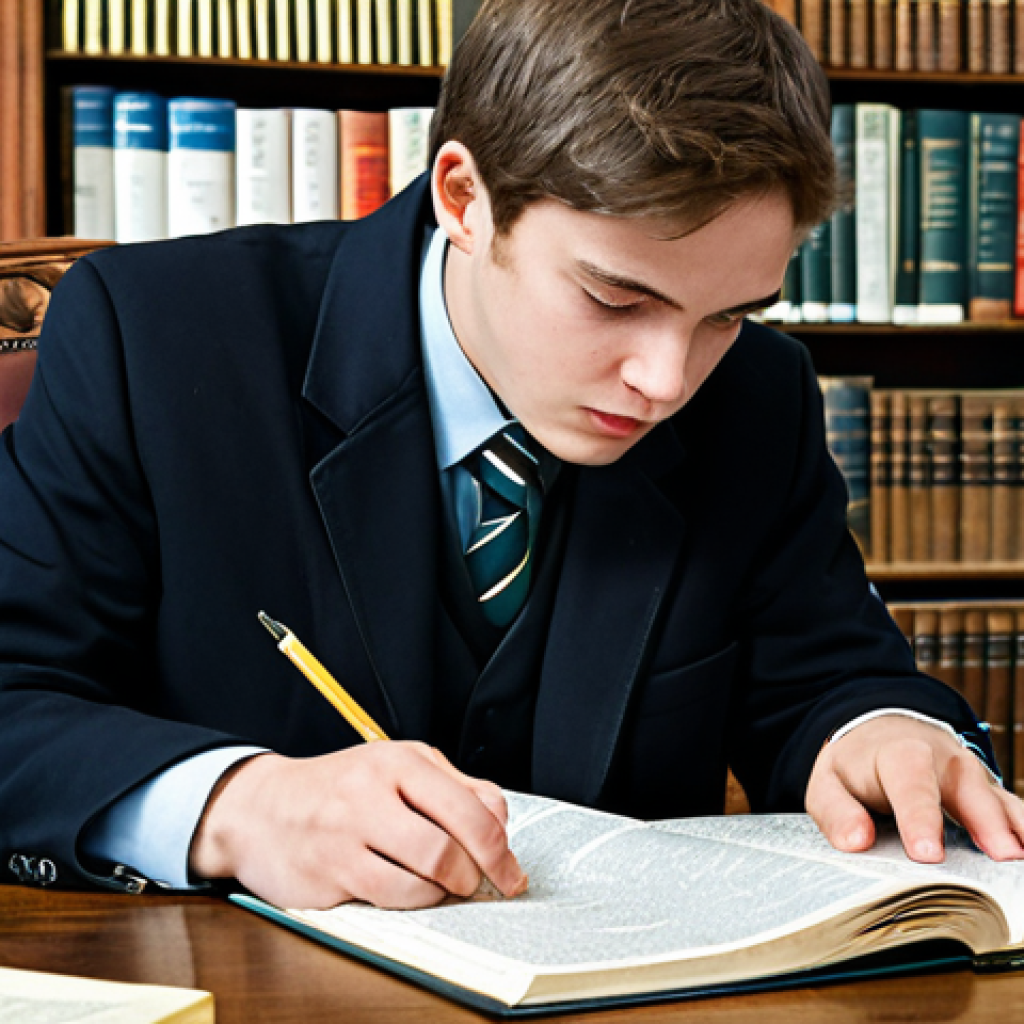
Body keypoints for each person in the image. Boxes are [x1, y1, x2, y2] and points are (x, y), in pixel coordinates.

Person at [1, 0, 1021, 912]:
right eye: (616, 299)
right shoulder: (158, 338)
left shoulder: (759, 397)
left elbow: (827, 676)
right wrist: (235, 803)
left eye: (727, 315)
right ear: (463, 197)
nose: (666, 380)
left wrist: (881, 731)